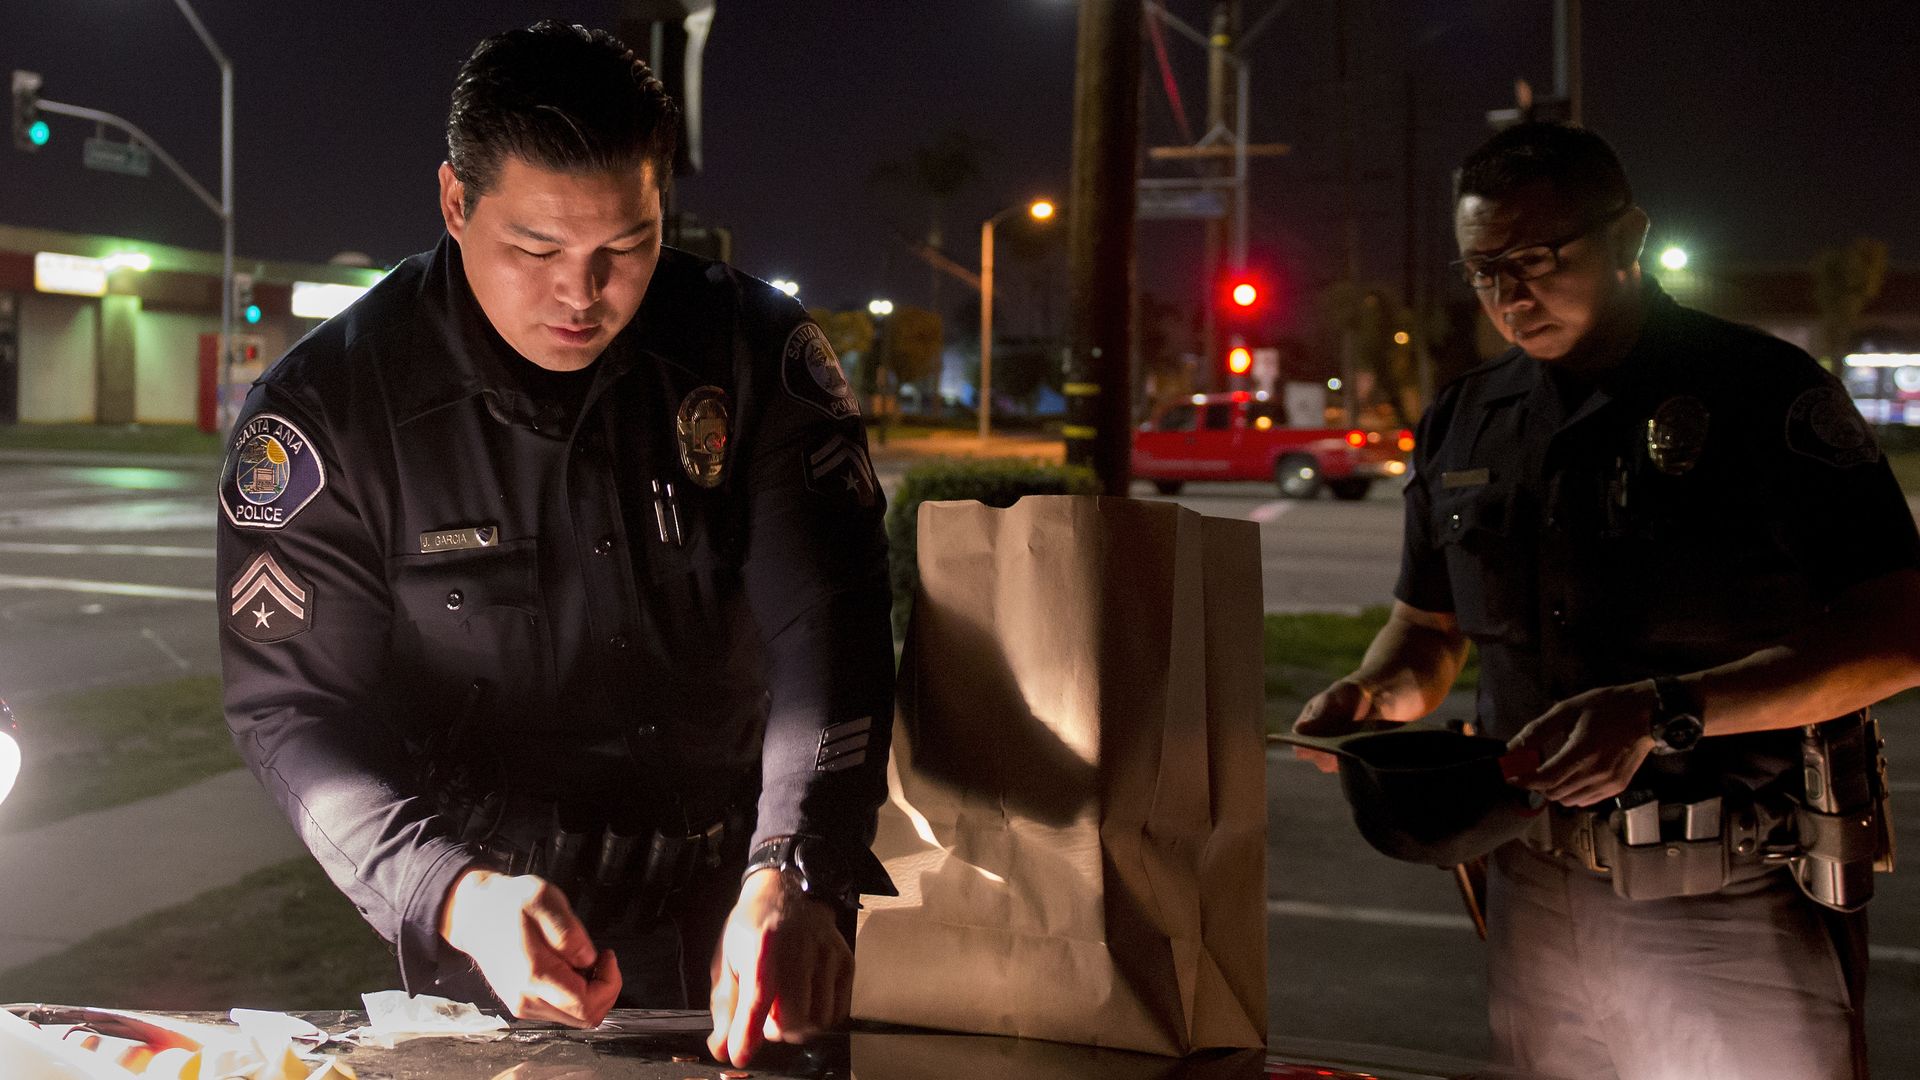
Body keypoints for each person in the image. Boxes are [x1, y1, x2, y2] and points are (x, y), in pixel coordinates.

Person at [216, 22, 894, 1068]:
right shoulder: (332, 411)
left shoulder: (752, 356)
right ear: (454, 203)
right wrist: (447, 890)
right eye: (534, 250)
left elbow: (831, 621)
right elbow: (291, 708)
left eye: (625, 247)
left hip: (746, 904)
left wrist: (799, 864)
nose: (581, 294)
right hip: (490, 935)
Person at [1292, 121, 1920, 1080]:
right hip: (1534, 893)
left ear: (1627, 238)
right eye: (1482, 269)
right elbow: (1427, 629)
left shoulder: (1758, 394)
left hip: (1730, 896)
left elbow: (1899, 633)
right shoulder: (1468, 418)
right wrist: (1378, 698)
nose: (1508, 295)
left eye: (1535, 260)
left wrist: (1666, 711)